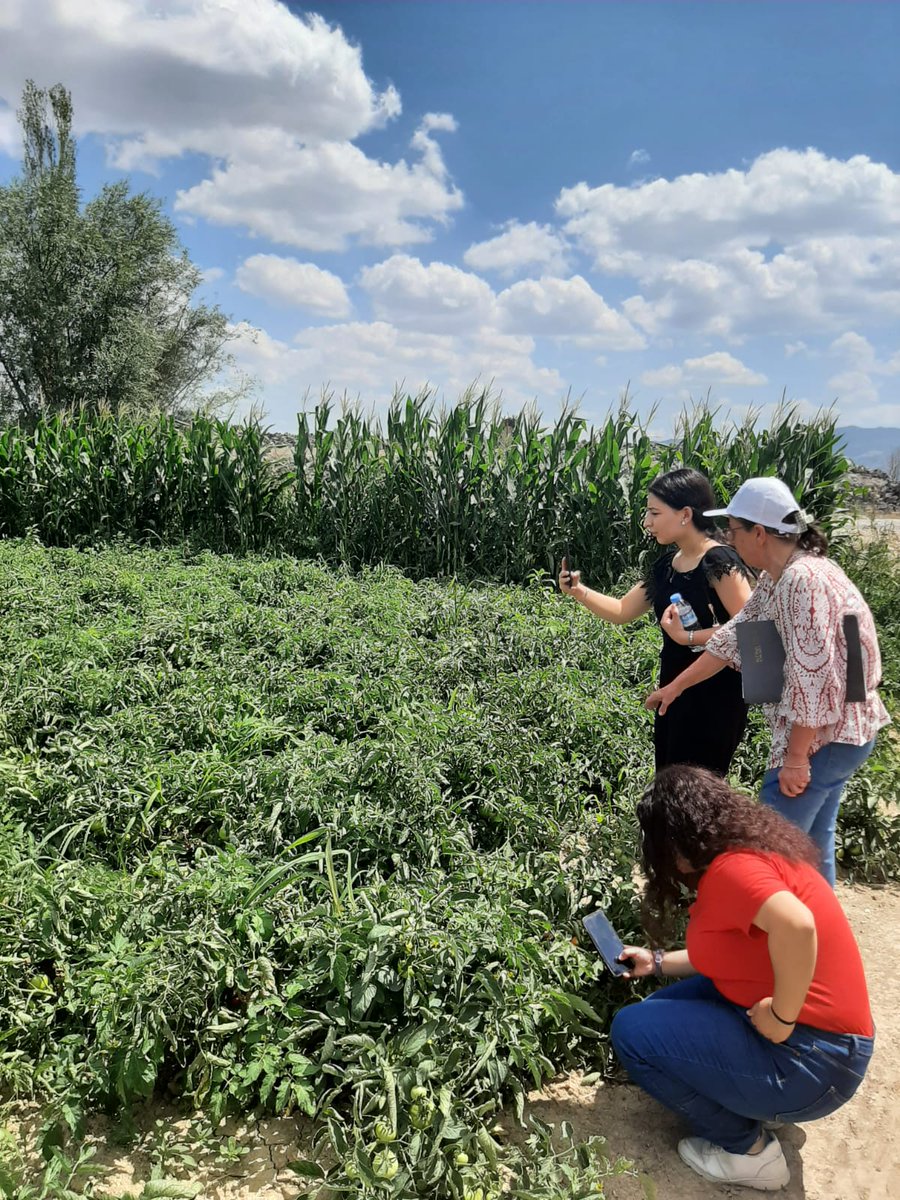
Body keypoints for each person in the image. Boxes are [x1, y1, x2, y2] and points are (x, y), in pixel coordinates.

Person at [610, 765, 874, 1192]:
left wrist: (783, 1016)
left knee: (632, 1034)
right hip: (826, 1048)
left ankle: (749, 1152)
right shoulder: (753, 850)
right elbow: (730, 951)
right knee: (653, 1016)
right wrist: (656, 961)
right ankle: (757, 1096)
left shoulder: (733, 872)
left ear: (675, 842)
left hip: (817, 1059)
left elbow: (798, 926)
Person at [645, 476, 890, 886]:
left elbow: (811, 677)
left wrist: (795, 760)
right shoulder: (782, 577)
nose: (730, 540)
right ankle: (818, 937)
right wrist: (676, 686)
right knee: (812, 845)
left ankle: (771, 937)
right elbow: (732, 638)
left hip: (824, 738)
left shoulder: (801, 581)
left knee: (770, 848)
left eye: (735, 531)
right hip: (845, 731)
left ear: (759, 533)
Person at [559, 467, 752, 774]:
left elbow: (749, 629)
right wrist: (579, 591)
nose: (647, 523)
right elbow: (622, 610)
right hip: (672, 691)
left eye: (654, 513)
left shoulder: (719, 561)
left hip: (716, 695)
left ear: (685, 514)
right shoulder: (667, 566)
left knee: (697, 792)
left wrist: (688, 638)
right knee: (669, 783)